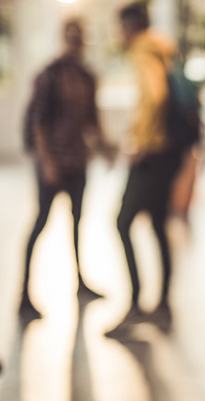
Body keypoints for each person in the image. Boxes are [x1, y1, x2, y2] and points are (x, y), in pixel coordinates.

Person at [20, 18, 113, 322]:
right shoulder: (49, 75)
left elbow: (92, 120)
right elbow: (39, 123)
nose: (75, 42)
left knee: (77, 222)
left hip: (77, 161)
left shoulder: (86, 76)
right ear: (63, 38)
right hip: (53, 163)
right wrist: (47, 161)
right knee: (41, 223)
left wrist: (105, 146)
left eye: (79, 36)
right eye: (70, 36)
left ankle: (80, 282)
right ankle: (23, 294)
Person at [107, 3, 181, 336]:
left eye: (120, 27)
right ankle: (163, 305)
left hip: (151, 154)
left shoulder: (143, 50)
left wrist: (140, 142)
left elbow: (154, 96)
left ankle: (137, 304)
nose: (118, 34)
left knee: (122, 223)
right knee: (156, 225)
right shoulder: (164, 48)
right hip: (168, 156)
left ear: (131, 26)